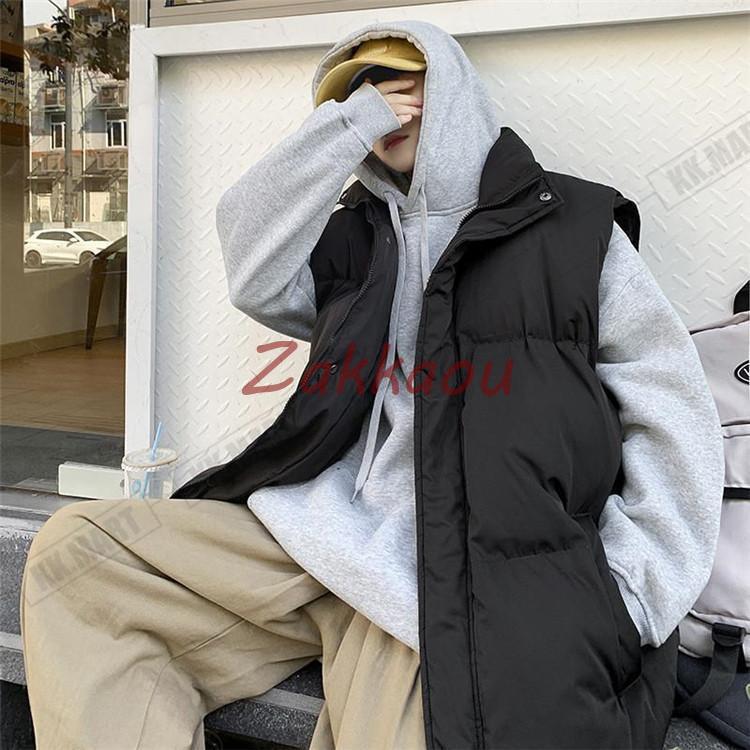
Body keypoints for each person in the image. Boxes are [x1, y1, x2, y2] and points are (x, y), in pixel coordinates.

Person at [20, 18, 725, 750]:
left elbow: (672, 409)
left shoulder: (574, 229)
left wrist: (634, 591)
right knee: (80, 561)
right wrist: (345, 128)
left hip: (450, 577)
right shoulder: (355, 239)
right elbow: (252, 268)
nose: (385, 103)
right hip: (315, 537)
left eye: (401, 83)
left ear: (452, 91)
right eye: (359, 92)